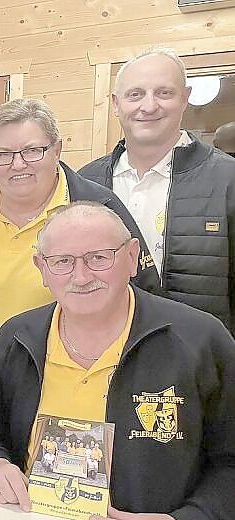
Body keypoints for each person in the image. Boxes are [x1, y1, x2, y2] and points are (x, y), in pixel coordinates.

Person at [0, 202, 235, 520]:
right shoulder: (15, 340)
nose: (81, 277)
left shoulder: (201, 341)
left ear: (132, 257)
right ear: (42, 267)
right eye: (63, 261)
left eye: (99, 257)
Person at [0, 98, 159, 480]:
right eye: (3, 154)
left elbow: (145, 298)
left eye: (32, 150)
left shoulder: (97, 207)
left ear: (57, 150)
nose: (17, 164)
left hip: (73, 411)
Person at [80, 48, 235, 332]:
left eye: (164, 93)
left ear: (185, 98)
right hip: (105, 354)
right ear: (116, 104)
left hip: (200, 361)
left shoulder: (228, 179)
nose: (149, 106)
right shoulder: (85, 183)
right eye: (135, 94)